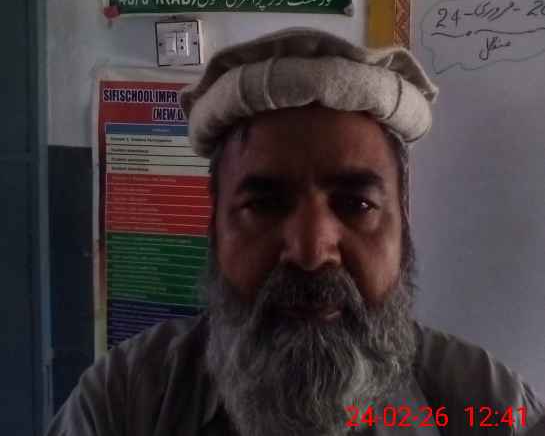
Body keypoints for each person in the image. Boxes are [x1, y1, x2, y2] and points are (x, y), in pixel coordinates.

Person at [47, 27, 545, 435]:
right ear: (214, 226)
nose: (310, 250)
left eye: (357, 205)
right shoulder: (123, 404)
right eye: (263, 205)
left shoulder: (489, 407)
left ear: (403, 225)